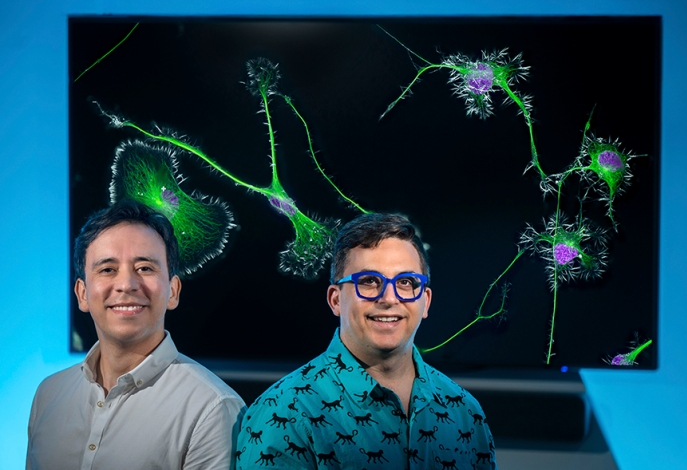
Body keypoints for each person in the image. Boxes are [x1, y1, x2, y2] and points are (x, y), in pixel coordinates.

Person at [235, 213, 496, 469]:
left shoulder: (464, 411)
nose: (389, 298)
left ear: (425, 301)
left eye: (406, 282)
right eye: (369, 281)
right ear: (335, 300)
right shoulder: (283, 413)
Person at [26, 200, 245, 470]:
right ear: (82, 294)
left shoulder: (212, 408)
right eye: (107, 269)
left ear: (173, 291)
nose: (127, 284)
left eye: (145, 268)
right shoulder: (49, 395)